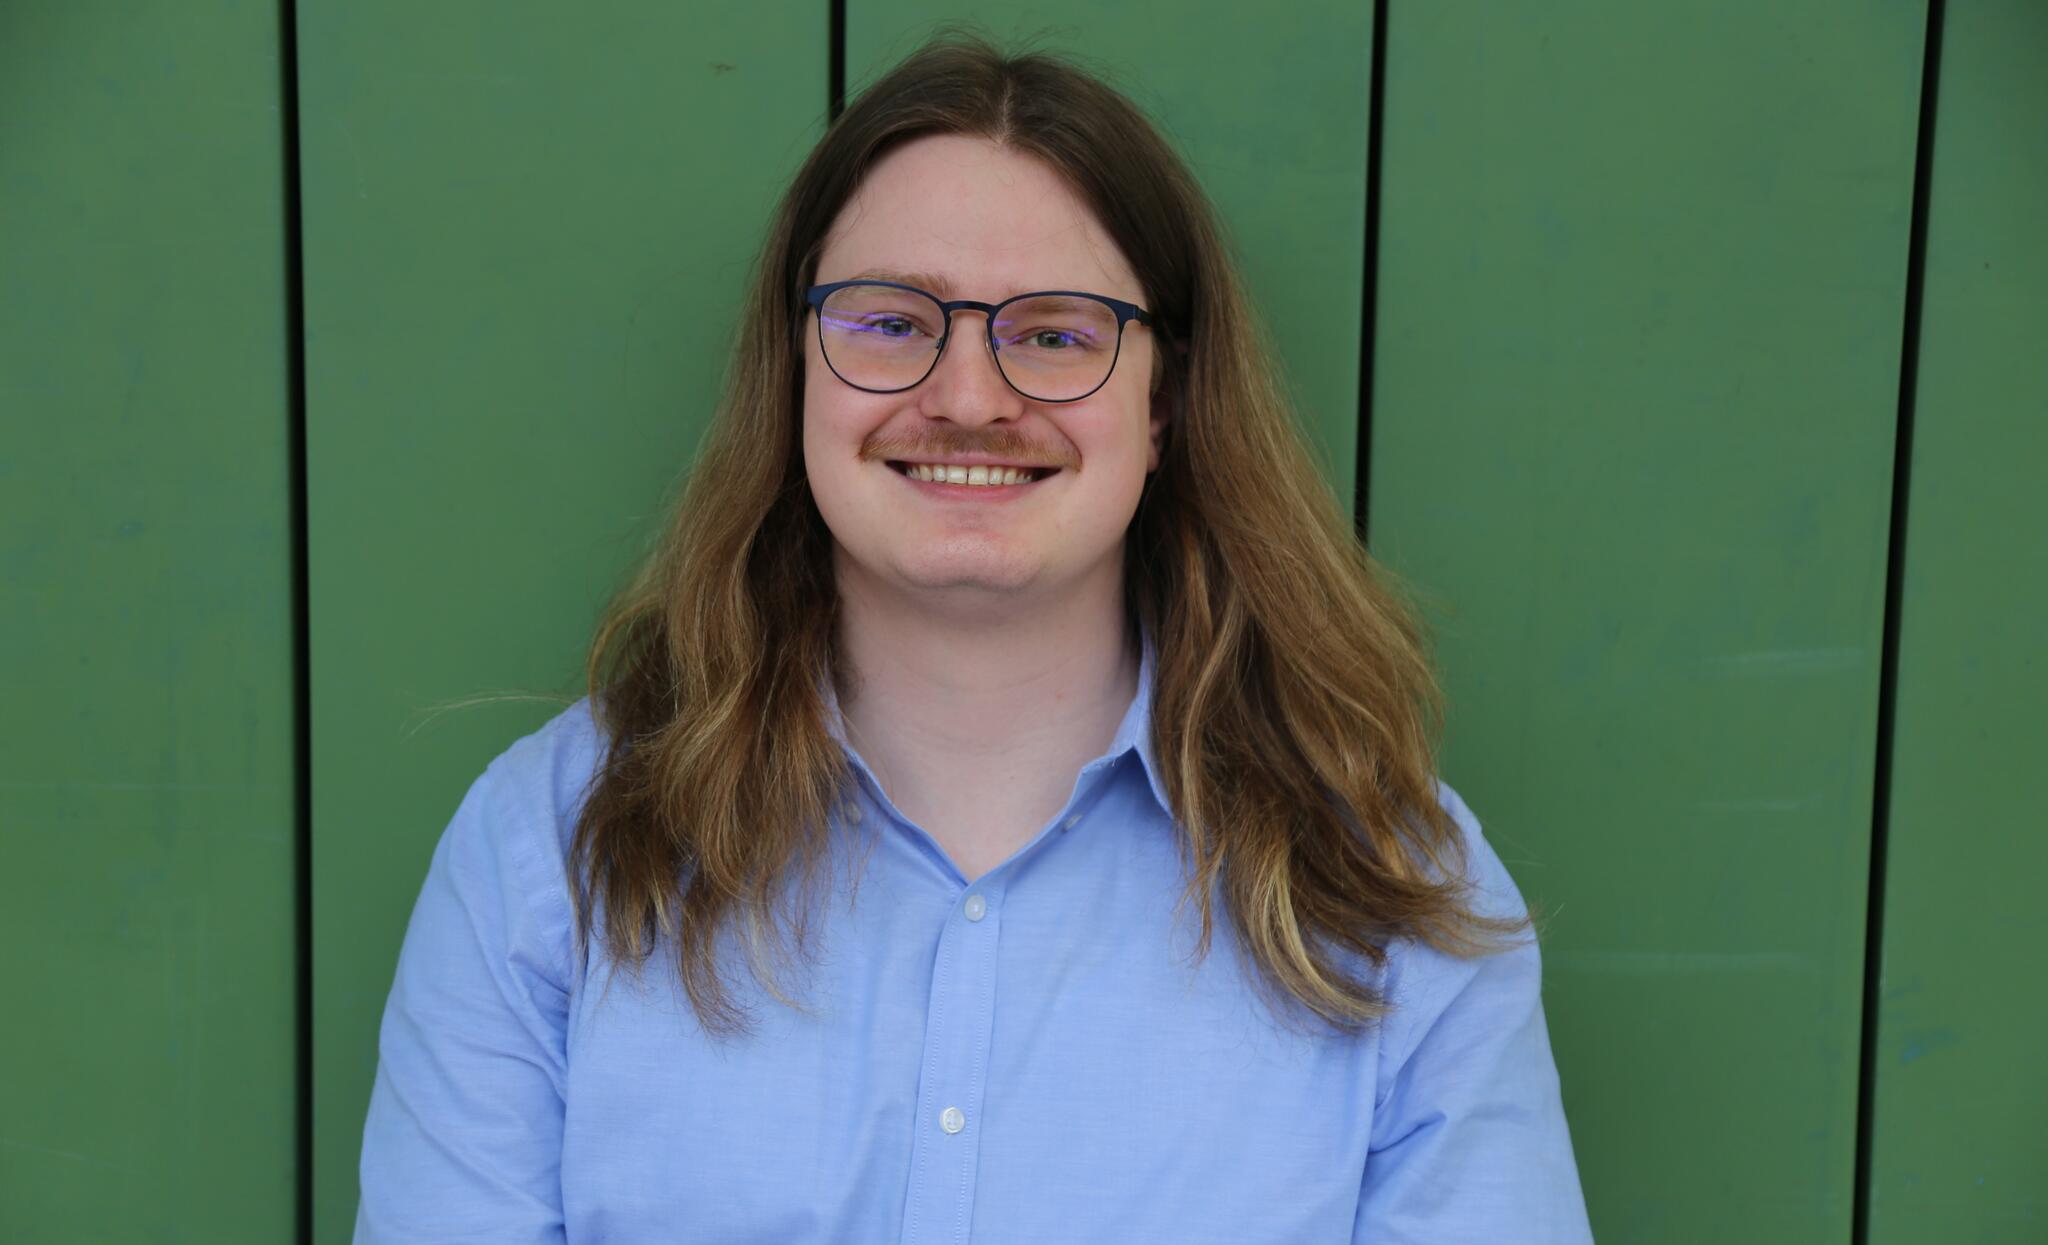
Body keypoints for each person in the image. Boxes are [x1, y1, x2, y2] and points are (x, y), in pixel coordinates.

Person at [354, 30, 1594, 1244]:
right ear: (795, 372)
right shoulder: (548, 858)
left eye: (1054, 332)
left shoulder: (1386, 889)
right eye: (891, 320)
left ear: (1160, 401)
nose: (965, 397)